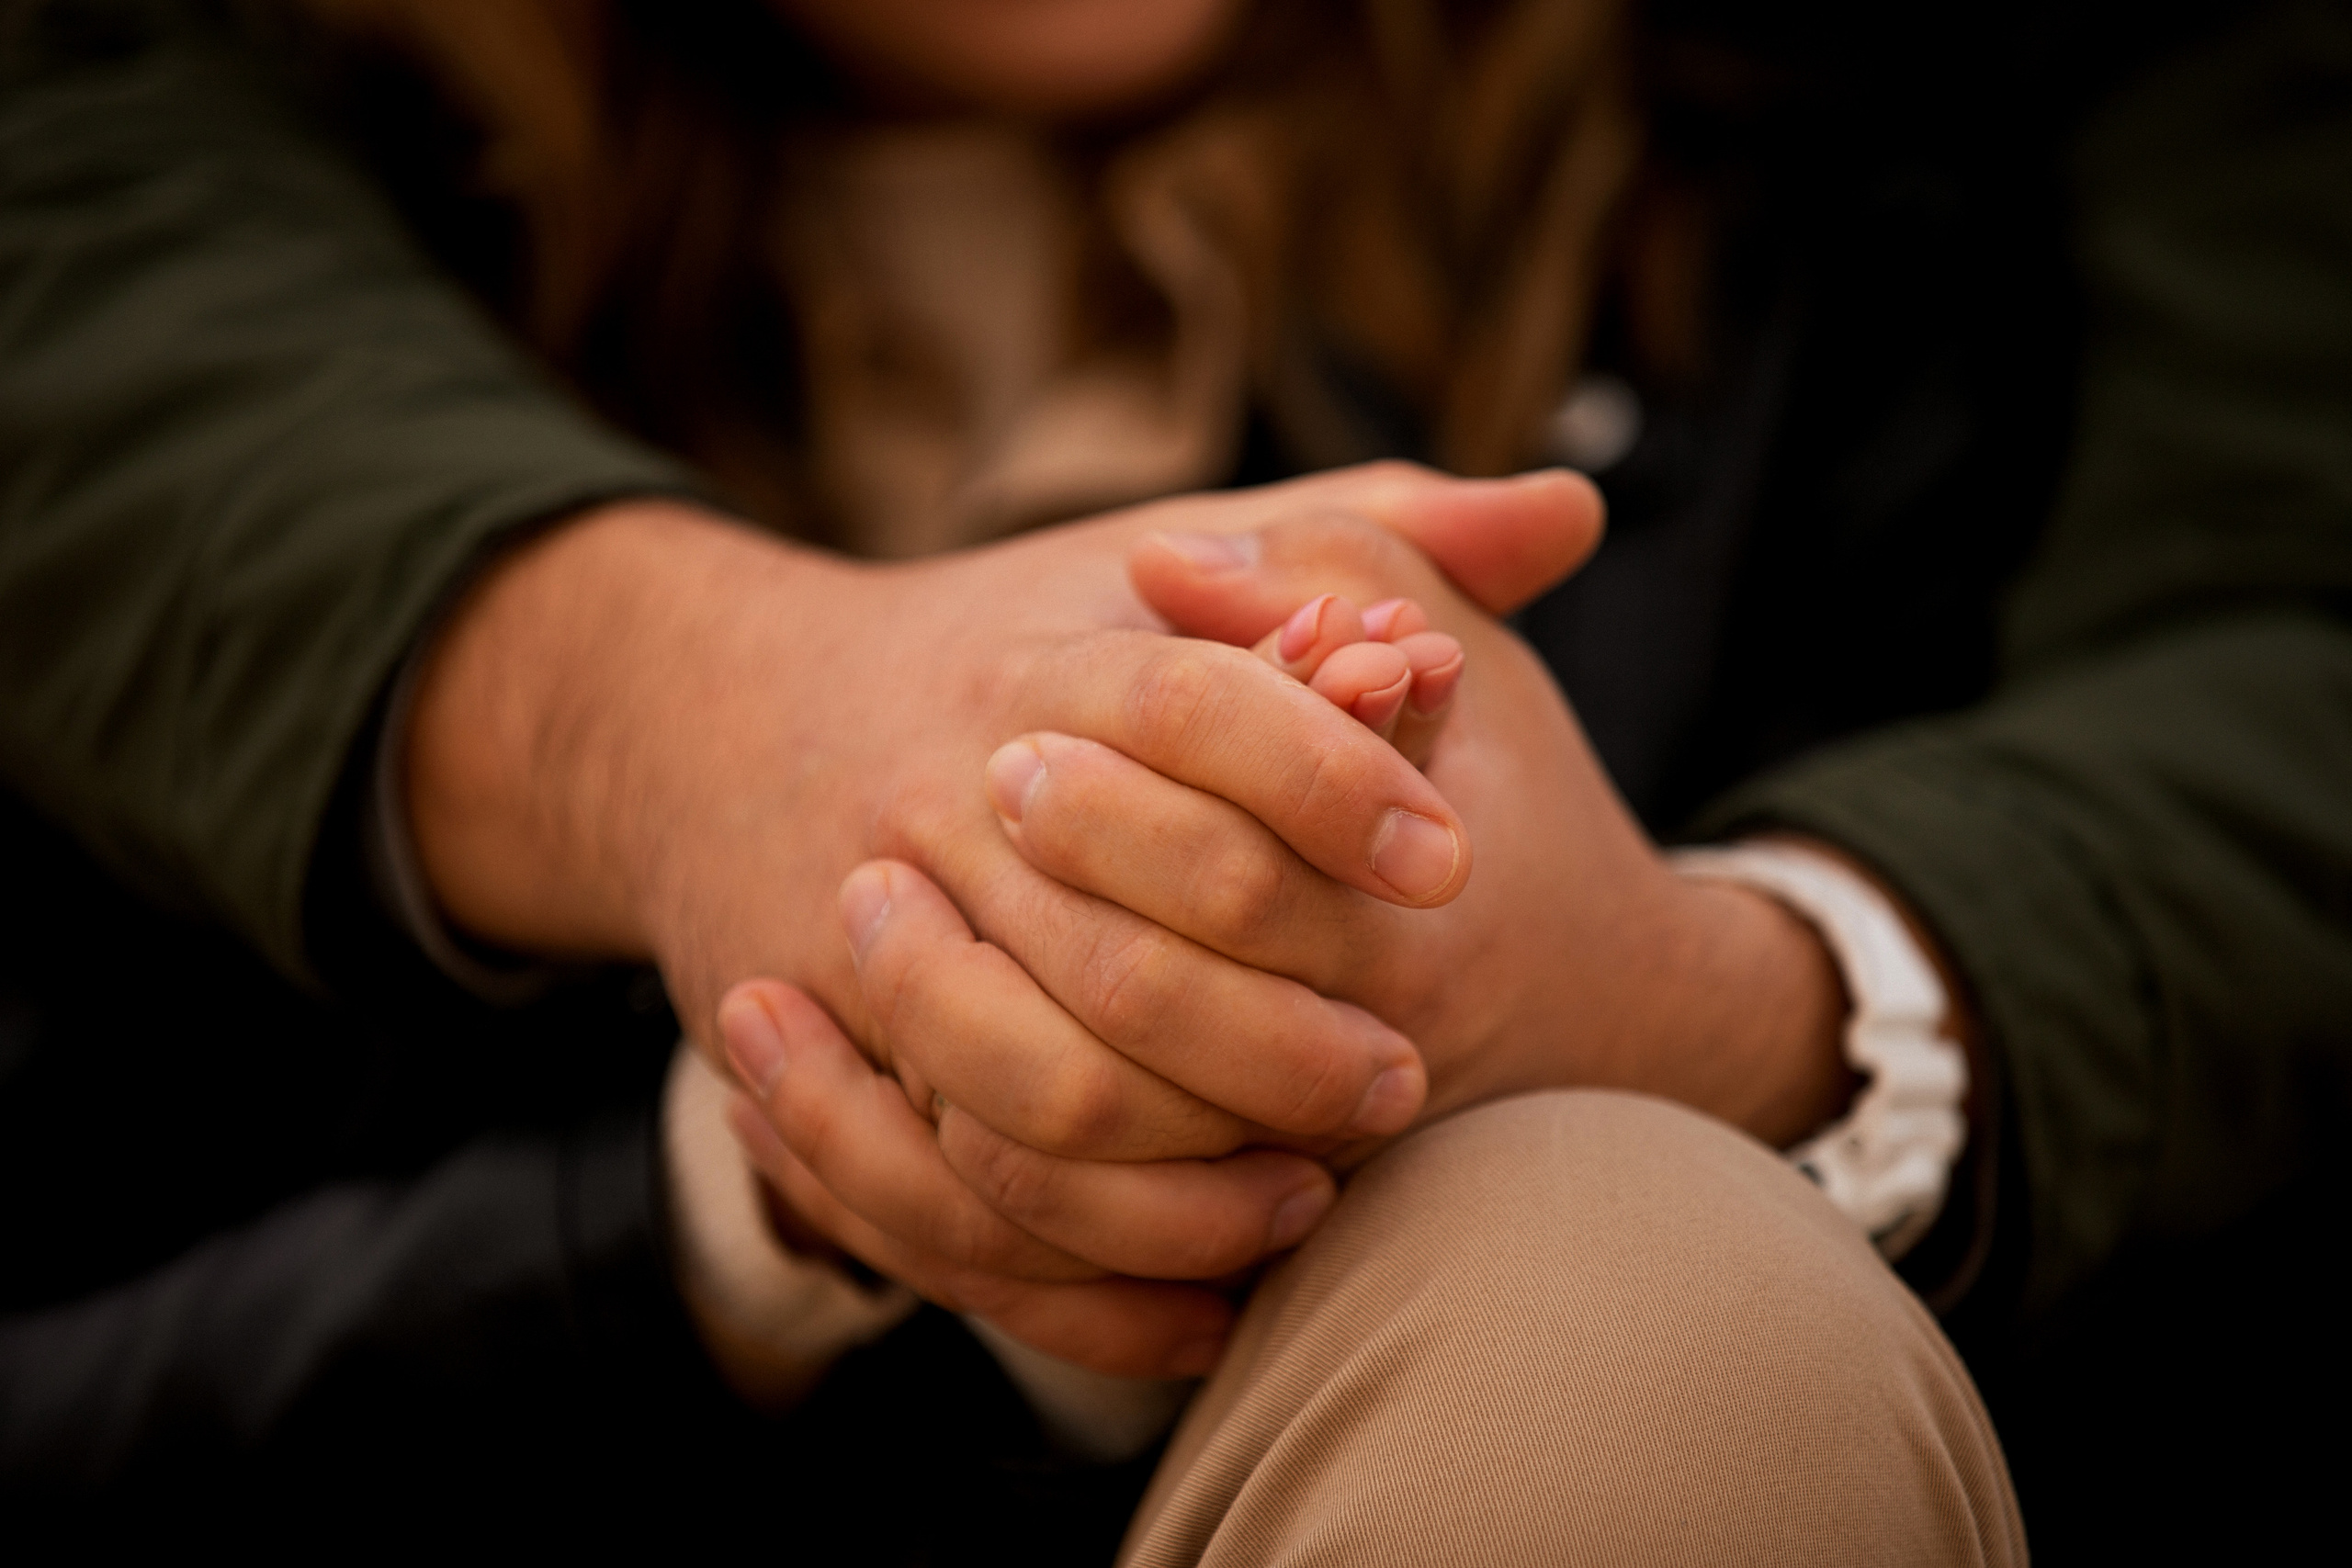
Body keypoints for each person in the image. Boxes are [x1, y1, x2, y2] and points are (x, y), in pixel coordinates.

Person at [1, 0, 2345, 1561]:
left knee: (1628, 1291)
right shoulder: (204, 271)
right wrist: (792, 1158)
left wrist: (1707, 988)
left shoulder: (1832, 222)